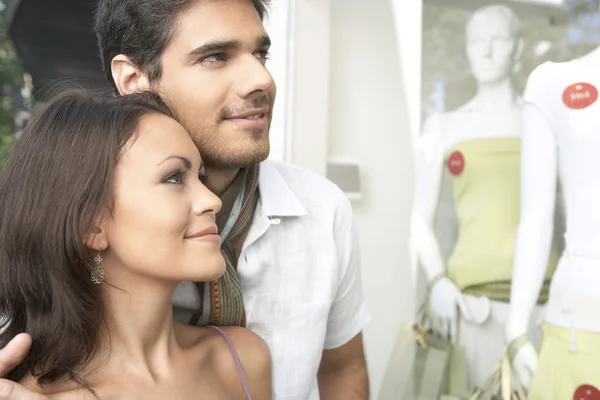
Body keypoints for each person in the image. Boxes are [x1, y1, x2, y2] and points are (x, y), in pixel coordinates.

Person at [0, 0, 371, 399]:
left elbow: (344, 370)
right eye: (215, 56)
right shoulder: (30, 305)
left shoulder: (323, 211)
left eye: (261, 53)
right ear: (133, 79)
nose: (261, 78)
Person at [0, 89, 271, 399]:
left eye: (201, 177)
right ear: (91, 226)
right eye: (173, 177)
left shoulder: (240, 360)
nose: (211, 201)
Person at [413, 4, 558, 389]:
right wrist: (438, 281)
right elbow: (419, 221)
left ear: (517, 47)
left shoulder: (545, 122)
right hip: (471, 306)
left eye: (498, 39)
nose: (487, 50)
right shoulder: (443, 126)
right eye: (477, 41)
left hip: (545, 307)